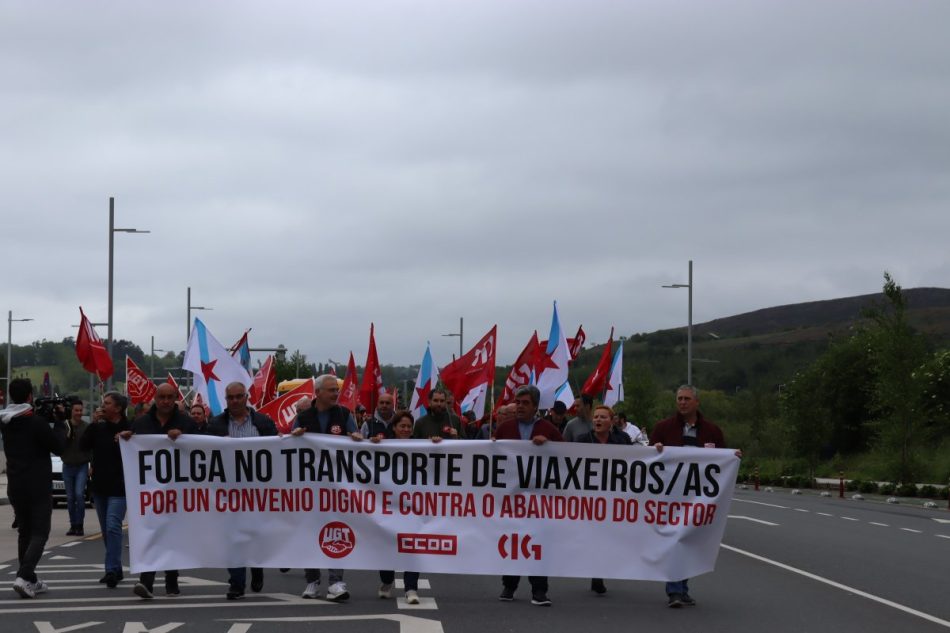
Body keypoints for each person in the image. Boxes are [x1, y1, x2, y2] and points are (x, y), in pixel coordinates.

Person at [651, 385, 740, 608]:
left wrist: (733, 456)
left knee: (689, 540)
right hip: (669, 497)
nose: (682, 402)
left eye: (686, 399)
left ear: (696, 402)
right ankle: (674, 590)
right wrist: (656, 449)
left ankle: (683, 587)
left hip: (697, 498)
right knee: (673, 540)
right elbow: (648, 457)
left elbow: (722, 460)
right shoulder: (663, 428)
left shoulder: (711, 431)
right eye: (679, 399)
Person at [121, 383, 197, 600]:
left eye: (169, 397)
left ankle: (171, 581)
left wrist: (184, 436)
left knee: (171, 535)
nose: (165, 401)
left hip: (180, 490)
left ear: (175, 398)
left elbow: (203, 445)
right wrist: (128, 437)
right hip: (151, 491)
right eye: (161, 397)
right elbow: (134, 447)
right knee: (151, 533)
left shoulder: (186, 422)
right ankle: (147, 582)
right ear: (155, 397)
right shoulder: (142, 422)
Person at [290, 374, 363, 601]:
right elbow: (287, 448)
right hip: (309, 489)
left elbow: (356, 439)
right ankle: (312, 581)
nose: (335, 394)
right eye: (331, 390)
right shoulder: (303, 417)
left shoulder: (344, 414)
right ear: (318, 392)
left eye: (336, 390)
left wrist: (357, 437)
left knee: (337, 532)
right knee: (309, 533)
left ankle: (336, 582)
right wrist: (294, 438)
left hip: (336, 488)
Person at [493, 385, 562, 606]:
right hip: (512, 497)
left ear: (535, 406)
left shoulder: (549, 429)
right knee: (513, 541)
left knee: (537, 543)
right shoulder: (505, 428)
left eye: (525, 403)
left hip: (539, 499)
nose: (520, 406)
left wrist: (549, 446)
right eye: (518, 402)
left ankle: (539, 590)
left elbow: (567, 456)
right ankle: (509, 586)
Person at [207, 382, 278, 600]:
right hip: (228, 492)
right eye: (231, 398)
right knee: (233, 538)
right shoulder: (216, 424)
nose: (235, 401)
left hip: (258, 492)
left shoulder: (263, 423)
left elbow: (278, 452)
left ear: (246, 397)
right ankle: (236, 583)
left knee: (255, 535)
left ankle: (256, 567)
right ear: (226, 400)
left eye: (239, 396)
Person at [1, 378, 68, 598]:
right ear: (30, 396)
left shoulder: (6, 421)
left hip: (15, 483)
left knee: (25, 532)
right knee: (40, 533)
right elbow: (58, 446)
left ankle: (30, 580)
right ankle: (24, 575)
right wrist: (59, 421)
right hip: (37, 484)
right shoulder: (36, 423)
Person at [370, 410, 426, 604]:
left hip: (412, 506)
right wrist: (371, 443)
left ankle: (411, 588)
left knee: (412, 546)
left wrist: (438, 443)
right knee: (387, 544)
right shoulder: (382, 445)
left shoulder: (421, 446)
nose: (405, 429)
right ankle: (386, 581)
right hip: (388, 505)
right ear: (394, 428)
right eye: (402, 426)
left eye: (409, 427)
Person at [577, 405, 631, 595]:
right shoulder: (583, 440)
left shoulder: (623, 440)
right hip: (588, 497)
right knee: (593, 535)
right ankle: (596, 573)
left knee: (608, 536)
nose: (598, 420)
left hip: (613, 497)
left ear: (612, 421)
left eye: (602, 417)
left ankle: (600, 571)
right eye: (596, 417)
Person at [81, 391, 132, 588]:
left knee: (113, 526)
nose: (103, 406)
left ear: (118, 408)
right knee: (106, 530)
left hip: (119, 486)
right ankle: (116, 568)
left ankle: (111, 570)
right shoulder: (98, 428)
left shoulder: (128, 428)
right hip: (100, 486)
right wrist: (93, 423)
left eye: (108, 403)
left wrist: (128, 436)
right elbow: (84, 445)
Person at [62, 400, 92, 536]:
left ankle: (80, 525)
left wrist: (92, 465)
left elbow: (91, 448)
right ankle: (73, 525)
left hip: (82, 466)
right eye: (76, 410)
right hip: (67, 466)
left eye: (81, 410)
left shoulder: (86, 427)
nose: (79, 413)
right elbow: (58, 443)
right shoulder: (64, 426)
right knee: (70, 497)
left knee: (79, 495)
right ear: (71, 411)